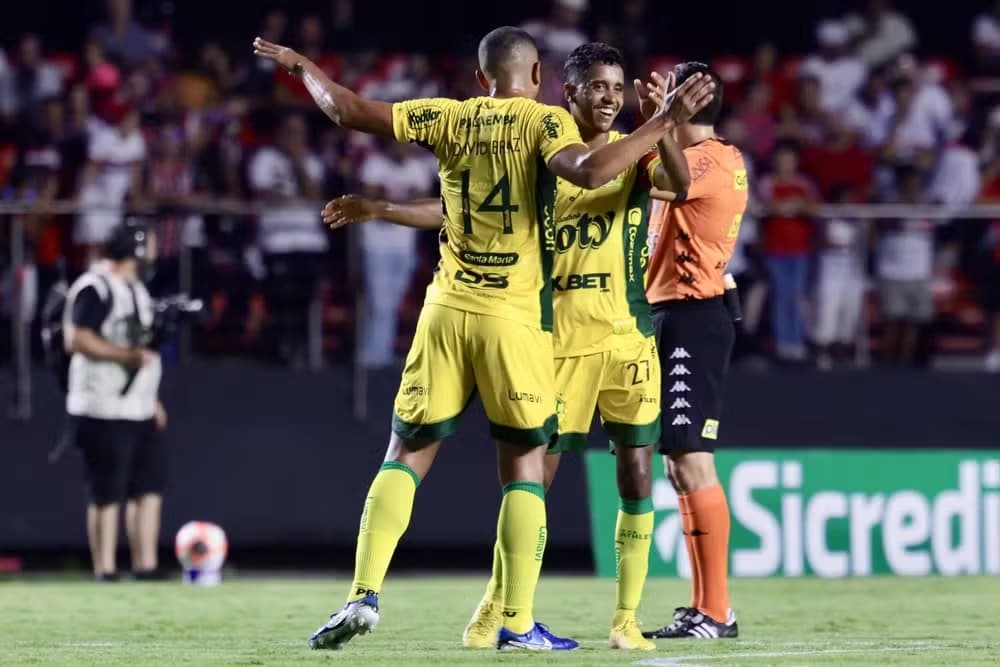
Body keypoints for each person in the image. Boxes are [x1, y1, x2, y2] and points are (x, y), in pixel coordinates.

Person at [253, 27, 713, 651]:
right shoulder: (544, 127)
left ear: (480, 78)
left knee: (404, 453)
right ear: (543, 82)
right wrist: (663, 120)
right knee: (525, 468)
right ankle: (515, 623)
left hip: (446, 308)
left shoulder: (447, 116)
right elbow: (587, 169)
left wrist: (302, 65)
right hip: (518, 318)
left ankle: (363, 594)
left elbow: (346, 109)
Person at [640, 62, 747, 640]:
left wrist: (657, 122)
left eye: (670, 86)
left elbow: (658, 179)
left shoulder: (712, 159)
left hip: (691, 315)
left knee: (692, 459)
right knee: (679, 463)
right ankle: (706, 608)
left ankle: (716, 610)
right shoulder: (693, 154)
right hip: (673, 314)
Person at [62, 221, 167, 581]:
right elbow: (77, 339)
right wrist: (125, 355)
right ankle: (104, 569)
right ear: (135, 248)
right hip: (101, 405)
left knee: (148, 487)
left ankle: (145, 565)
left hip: (137, 405)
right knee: (107, 491)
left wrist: (151, 399)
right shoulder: (96, 286)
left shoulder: (135, 288)